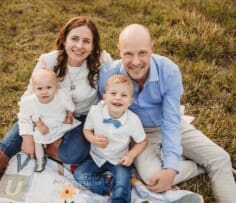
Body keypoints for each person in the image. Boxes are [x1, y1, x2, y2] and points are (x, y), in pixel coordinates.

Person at [0, 16, 112, 202]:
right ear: (65, 39)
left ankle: (45, 146)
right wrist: (27, 136)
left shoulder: (101, 62)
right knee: (15, 136)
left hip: (80, 120)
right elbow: (27, 100)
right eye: (74, 39)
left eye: (86, 41)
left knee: (72, 153)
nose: (79, 46)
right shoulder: (48, 61)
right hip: (45, 114)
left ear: (93, 46)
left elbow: (117, 85)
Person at [98, 23, 236, 203]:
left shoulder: (168, 71)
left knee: (220, 158)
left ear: (152, 48)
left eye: (142, 53)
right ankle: (199, 165)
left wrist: (171, 168)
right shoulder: (108, 74)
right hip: (140, 134)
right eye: (128, 54)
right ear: (119, 50)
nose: (136, 61)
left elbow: (171, 122)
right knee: (152, 178)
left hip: (168, 123)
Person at [74, 74, 148, 203]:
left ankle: (118, 197)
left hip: (119, 159)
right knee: (79, 175)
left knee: (122, 183)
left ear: (130, 101)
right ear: (105, 97)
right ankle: (107, 187)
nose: (118, 98)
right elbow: (87, 130)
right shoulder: (95, 111)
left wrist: (131, 155)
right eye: (113, 93)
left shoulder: (133, 120)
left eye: (124, 95)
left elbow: (142, 141)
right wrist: (92, 139)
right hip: (97, 157)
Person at [18, 68, 81, 172]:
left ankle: (64, 157)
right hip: (45, 126)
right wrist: (39, 124)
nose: (44, 92)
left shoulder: (61, 96)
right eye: (40, 88)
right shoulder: (31, 101)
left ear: (55, 87)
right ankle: (40, 159)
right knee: (38, 140)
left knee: (71, 136)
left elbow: (70, 107)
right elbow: (33, 115)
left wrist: (69, 116)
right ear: (33, 89)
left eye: (48, 87)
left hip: (61, 123)